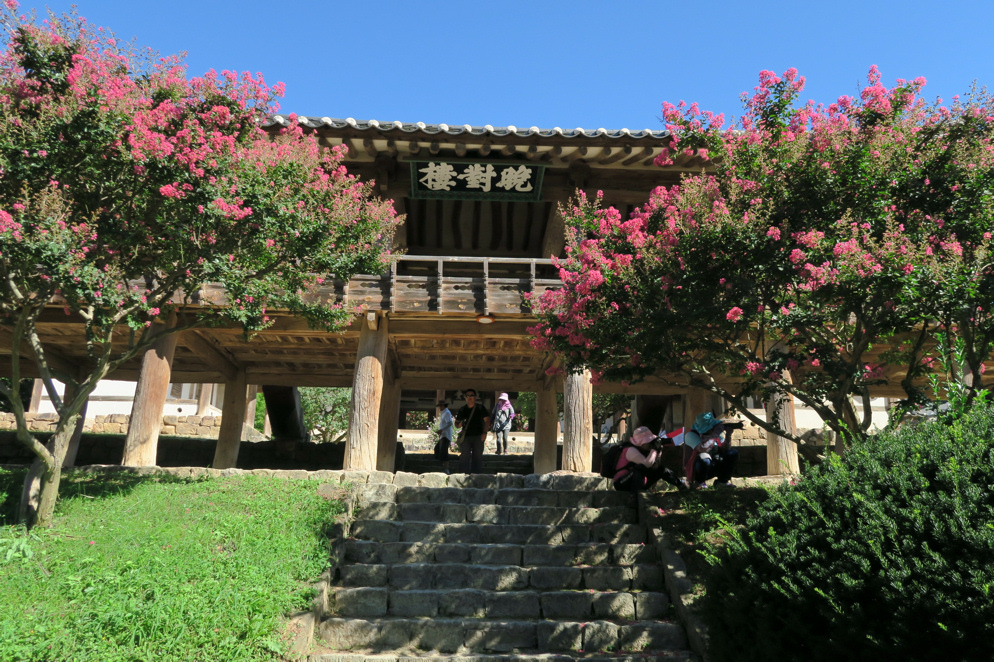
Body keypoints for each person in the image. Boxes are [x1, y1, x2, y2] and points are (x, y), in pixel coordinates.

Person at [611, 426, 686, 493]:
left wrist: (658, 451)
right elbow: (646, 464)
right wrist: (654, 449)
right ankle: (635, 497)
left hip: (635, 482)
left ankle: (681, 485)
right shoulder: (630, 450)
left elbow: (655, 467)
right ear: (641, 443)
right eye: (648, 442)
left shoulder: (643, 450)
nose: (650, 444)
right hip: (622, 483)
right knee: (639, 469)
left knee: (661, 469)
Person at [683, 412, 739, 489]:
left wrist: (728, 435)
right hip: (697, 469)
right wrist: (715, 434)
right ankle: (699, 483)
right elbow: (703, 449)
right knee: (704, 457)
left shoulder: (714, 435)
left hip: (713, 465)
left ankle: (722, 481)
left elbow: (726, 449)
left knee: (733, 453)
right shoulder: (691, 435)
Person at [454, 388, 489, 474]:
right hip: (466, 436)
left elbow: (487, 421)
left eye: (471, 395)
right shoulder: (462, 410)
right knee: (464, 456)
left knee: (477, 457)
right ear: (465, 397)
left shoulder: (480, 408)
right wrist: (459, 424)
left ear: (475, 397)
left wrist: (485, 433)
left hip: (478, 436)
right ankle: (463, 475)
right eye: (467, 396)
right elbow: (456, 423)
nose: (469, 397)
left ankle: (476, 476)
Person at [433, 401, 453, 474]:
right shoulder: (443, 413)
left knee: (443, 451)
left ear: (444, 406)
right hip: (443, 435)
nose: (440, 408)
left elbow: (450, 423)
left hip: (446, 435)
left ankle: (446, 468)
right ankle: (441, 467)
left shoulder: (447, 412)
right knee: (438, 449)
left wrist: (442, 430)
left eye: (441, 406)